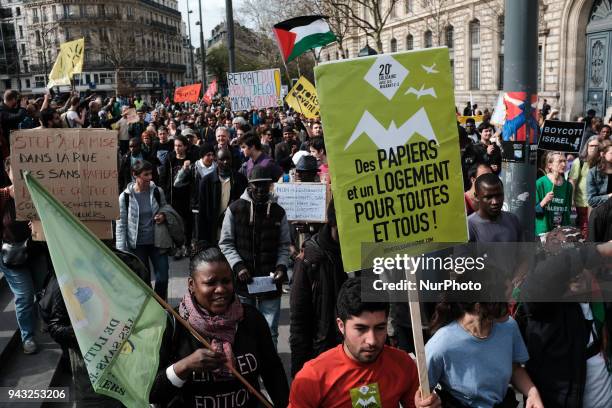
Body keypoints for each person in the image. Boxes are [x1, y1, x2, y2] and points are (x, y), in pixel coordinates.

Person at [149, 247, 289, 407]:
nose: (221, 289)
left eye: (226, 281)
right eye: (210, 283)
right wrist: (184, 366)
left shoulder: (251, 318)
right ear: (191, 285)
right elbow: (153, 394)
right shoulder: (173, 324)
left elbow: (273, 373)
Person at [289, 277, 440, 408]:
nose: (372, 341)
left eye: (380, 328)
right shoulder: (313, 377)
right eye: (361, 329)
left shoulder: (403, 364)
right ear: (341, 326)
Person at [519, 230, 612, 408]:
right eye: (569, 267)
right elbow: (536, 286)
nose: (575, 273)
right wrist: (599, 251)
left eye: (580, 265)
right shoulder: (543, 308)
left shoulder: (599, 295)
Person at [219, 165, 290, 348]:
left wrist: (282, 267)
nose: (260, 190)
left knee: (270, 332)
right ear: (249, 186)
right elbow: (225, 243)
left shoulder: (279, 212)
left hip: (271, 282)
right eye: (256, 185)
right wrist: (238, 266)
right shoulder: (235, 209)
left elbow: (284, 246)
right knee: (244, 329)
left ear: (270, 186)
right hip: (245, 281)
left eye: (264, 185)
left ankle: (270, 371)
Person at [425, 301, 544, 408]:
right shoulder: (441, 344)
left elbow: (514, 369)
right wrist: (426, 401)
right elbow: (422, 390)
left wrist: (532, 393)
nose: (511, 299)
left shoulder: (509, 327)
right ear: (478, 307)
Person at [289, 201, 346, 377]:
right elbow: (299, 322)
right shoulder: (309, 259)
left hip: (361, 355)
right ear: (333, 223)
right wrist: (300, 373)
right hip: (324, 352)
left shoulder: (366, 253)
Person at [0, 157, 49, 354]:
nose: (18, 175)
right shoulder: (2, 197)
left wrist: (38, 223)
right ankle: (27, 336)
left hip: (35, 252)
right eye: (14, 171)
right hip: (12, 257)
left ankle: (43, 323)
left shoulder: (35, 193)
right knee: (24, 295)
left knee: (42, 291)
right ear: (7, 173)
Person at [116, 161, 170, 300]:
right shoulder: (125, 197)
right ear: (135, 175)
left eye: (151, 174)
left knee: (163, 277)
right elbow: (121, 225)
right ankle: (152, 306)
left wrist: (163, 216)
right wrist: (122, 252)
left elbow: (165, 209)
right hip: (137, 246)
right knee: (144, 281)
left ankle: (161, 304)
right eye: (145, 174)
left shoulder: (157, 191)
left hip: (157, 242)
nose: (150, 177)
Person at [197, 148, 248, 246]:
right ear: (216, 160)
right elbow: (202, 212)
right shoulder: (206, 182)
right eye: (222, 159)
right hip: (214, 231)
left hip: (235, 230)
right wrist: (202, 239)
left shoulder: (240, 180)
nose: (225, 162)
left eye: (228, 159)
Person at [160, 135, 195, 258]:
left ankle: (187, 245)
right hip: (173, 195)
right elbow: (164, 176)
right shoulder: (170, 158)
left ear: (185, 146)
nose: (177, 148)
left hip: (187, 195)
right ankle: (178, 247)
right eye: (175, 146)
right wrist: (164, 193)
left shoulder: (191, 158)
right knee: (174, 222)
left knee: (187, 221)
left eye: (180, 146)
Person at [468, 173, 522, 242]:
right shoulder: (469, 227)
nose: (495, 202)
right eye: (488, 197)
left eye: (499, 195)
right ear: (476, 197)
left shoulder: (513, 220)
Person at [569, 136, 600, 238]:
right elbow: (572, 181)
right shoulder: (579, 161)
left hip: (598, 201)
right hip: (582, 201)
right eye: (591, 145)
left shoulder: (602, 162)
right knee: (585, 227)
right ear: (586, 146)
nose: (593, 148)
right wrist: (572, 199)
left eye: (596, 146)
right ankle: (585, 249)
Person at [535, 152, 573, 236]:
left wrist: (566, 231)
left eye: (564, 161)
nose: (563, 164)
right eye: (559, 161)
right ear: (550, 165)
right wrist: (544, 202)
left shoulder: (568, 186)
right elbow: (533, 212)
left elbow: (567, 212)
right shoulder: (539, 184)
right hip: (543, 232)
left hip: (560, 234)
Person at [586, 142, 612, 208]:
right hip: (601, 213)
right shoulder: (593, 172)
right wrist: (609, 196)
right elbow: (591, 200)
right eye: (611, 153)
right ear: (603, 154)